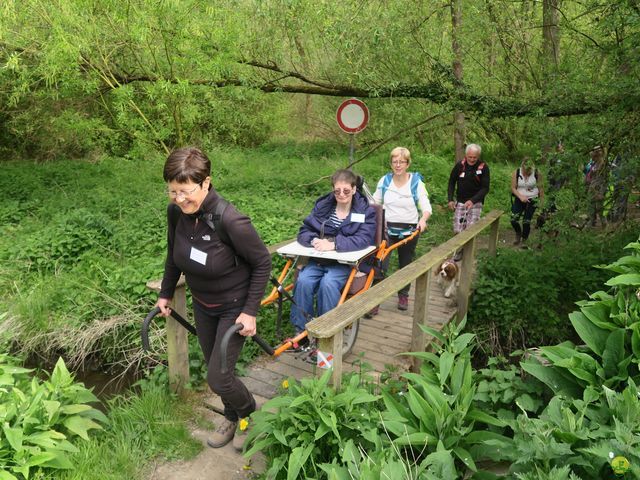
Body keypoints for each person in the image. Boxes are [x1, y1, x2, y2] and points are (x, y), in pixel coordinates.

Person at [155, 147, 271, 451]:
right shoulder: (176, 213)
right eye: (173, 191)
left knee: (218, 379)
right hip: (203, 305)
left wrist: (250, 312)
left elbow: (262, 264)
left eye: (186, 191)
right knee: (217, 370)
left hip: (234, 308)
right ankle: (232, 416)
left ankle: (249, 414)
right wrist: (166, 292)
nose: (179, 199)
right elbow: (173, 255)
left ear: (206, 183)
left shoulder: (230, 220)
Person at [290, 169, 376, 347]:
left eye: (346, 190)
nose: (341, 195)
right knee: (303, 281)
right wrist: (313, 240)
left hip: (344, 263)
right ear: (333, 190)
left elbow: (364, 239)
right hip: (319, 259)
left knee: (328, 284)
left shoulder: (364, 211)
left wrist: (334, 244)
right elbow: (304, 231)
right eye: (337, 191)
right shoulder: (323, 208)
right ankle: (301, 332)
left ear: (353, 189)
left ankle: (326, 333)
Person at [371, 147, 432, 313]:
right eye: (394, 161)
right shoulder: (385, 181)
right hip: (386, 230)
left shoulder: (416, 182)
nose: (398, 165)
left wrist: (423, 219)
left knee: (405, 264)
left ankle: (403, 294)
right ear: (391, 163)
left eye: (401, 162)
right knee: (380, 264)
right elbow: (375, 202)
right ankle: (374, 301)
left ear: (407, 163)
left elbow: (425, 205)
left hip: (409, 231)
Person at [447, 144, 491, 256]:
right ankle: (459, 250)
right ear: (466, 155)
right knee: (458, 229)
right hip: (461, 202)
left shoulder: (483, 168)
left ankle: (467, 252)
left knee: (470, 229)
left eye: (474, 157)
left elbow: (485, 188)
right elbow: (451, 182)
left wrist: (473, 200)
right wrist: (450, 199)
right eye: (470, 157)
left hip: (476, 203)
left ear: (478, 156)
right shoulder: (459, 166)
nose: (472, 159)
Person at [510, 156, 544, 246]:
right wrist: (520, 196)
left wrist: (541, 203)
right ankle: (518, 233)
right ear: (522, 167)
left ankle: (525, 239)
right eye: (526, 171)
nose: (527, 173)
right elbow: (513, 188)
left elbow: (541, 188)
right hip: (519, 198)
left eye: (529, 171)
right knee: (513, 219)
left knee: (526, 221)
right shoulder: (516, 172)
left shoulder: (537, 173)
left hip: (533, 199)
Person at [585, 146, 608, 227]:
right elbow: (590, 176)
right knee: (590, 206)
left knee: (600, 207)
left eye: (597, 151)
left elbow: (606, 179)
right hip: (592, 187)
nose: (595, 152)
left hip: (599, 188)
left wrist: (601, 192)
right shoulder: (594, 163)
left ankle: (604, 225)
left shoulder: (604, 164)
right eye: (595, 151)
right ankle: (589, 225)